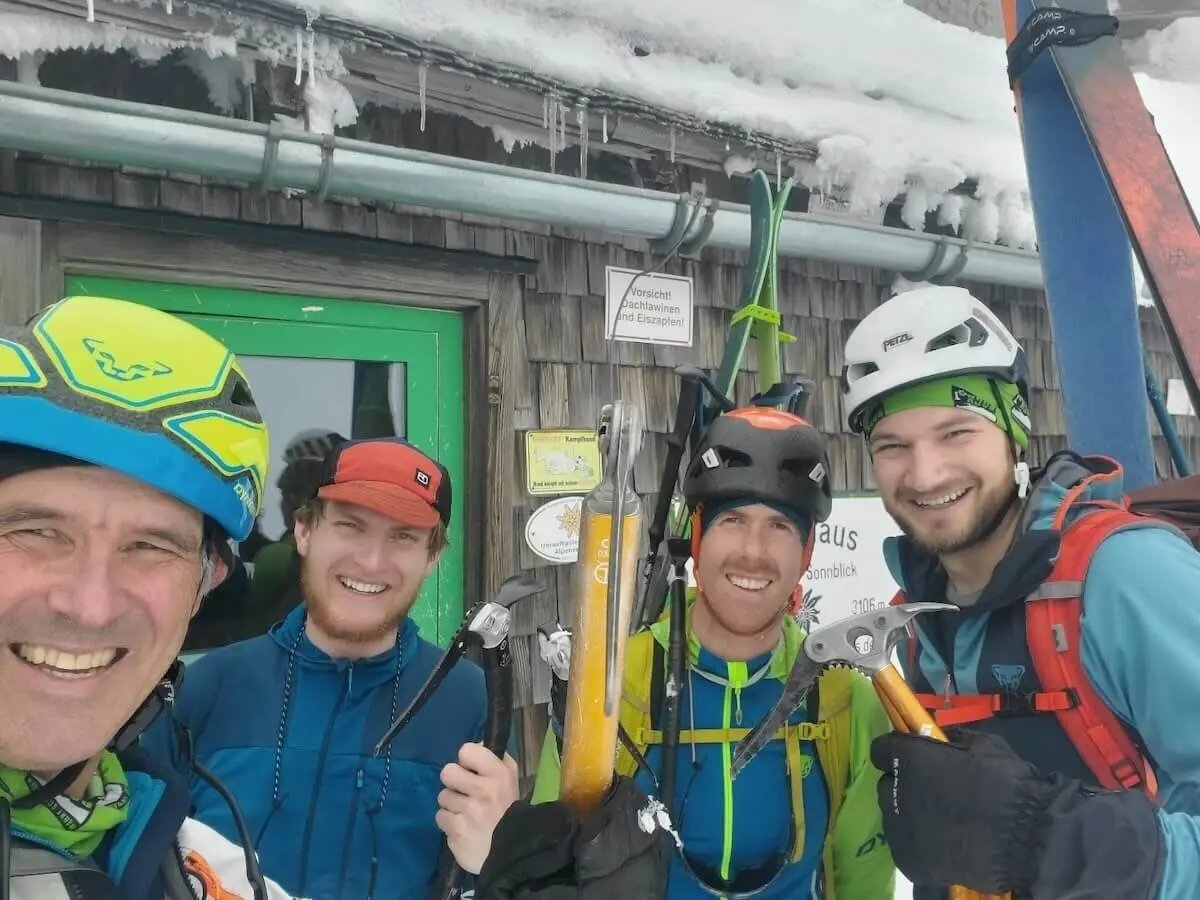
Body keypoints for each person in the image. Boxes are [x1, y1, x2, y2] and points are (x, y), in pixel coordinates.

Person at [840, 284, 1200, 899]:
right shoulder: (920, 626)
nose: (925, 475)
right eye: (893, 446)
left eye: (956, 433)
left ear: (1015, 432)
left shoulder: (1123, 578)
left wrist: (1055, 843)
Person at [532, 405, 896, 899]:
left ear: (806, 553)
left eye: (780, 527)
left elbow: (863, 883)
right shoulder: (611, 687)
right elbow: (549, 867)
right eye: (732, 520)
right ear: (698, 539)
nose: (753, 551)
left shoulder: (843, 701)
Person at [141, 435, 521, 899]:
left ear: (432, 557)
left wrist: (499, 858)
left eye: (403, 536)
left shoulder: (472, 704)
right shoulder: (208, 688)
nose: (372, 560)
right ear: (304, 531)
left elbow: (495, 885)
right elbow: (139, 864)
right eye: (350, 526)